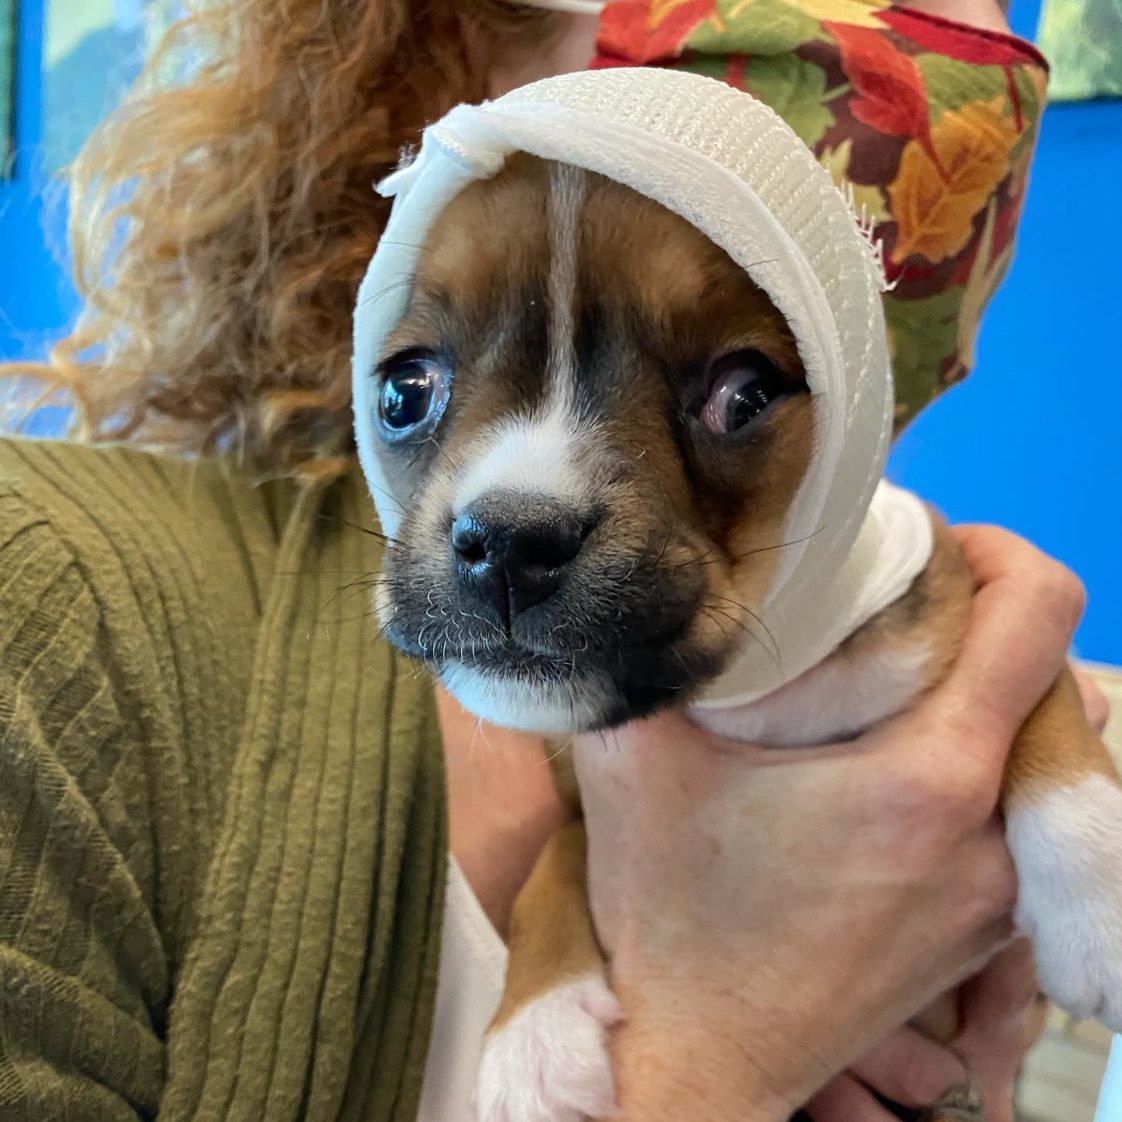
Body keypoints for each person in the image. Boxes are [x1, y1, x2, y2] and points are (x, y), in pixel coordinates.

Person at [0, 2, 1098, 1120]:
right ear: (433, 41)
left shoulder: (877, 573)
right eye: (414, 391)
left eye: (739, 395)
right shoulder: (49, 611)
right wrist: (726, 1048)